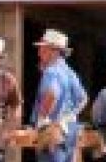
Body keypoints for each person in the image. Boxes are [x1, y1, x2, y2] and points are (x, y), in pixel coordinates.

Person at [31, 29, 87, 162]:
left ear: (54, 51)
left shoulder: (51, 71)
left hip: (52, 131)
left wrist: (42, 120)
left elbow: (51, 94)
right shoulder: (70, 72)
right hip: (70, 130)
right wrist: (69, 116)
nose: (39, 53)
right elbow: (84, 98)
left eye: (43, 49)